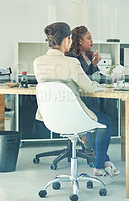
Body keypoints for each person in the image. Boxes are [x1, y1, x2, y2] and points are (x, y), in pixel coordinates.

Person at [33, 22, 119, 177]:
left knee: (98, 118)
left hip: (51, 117)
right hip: (74, 116)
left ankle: (103, 161)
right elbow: (89, 88)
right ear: (67, 40)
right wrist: (95, 83)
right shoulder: (71, 62)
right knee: (104, 121)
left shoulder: (37, 62)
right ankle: (100, 166)